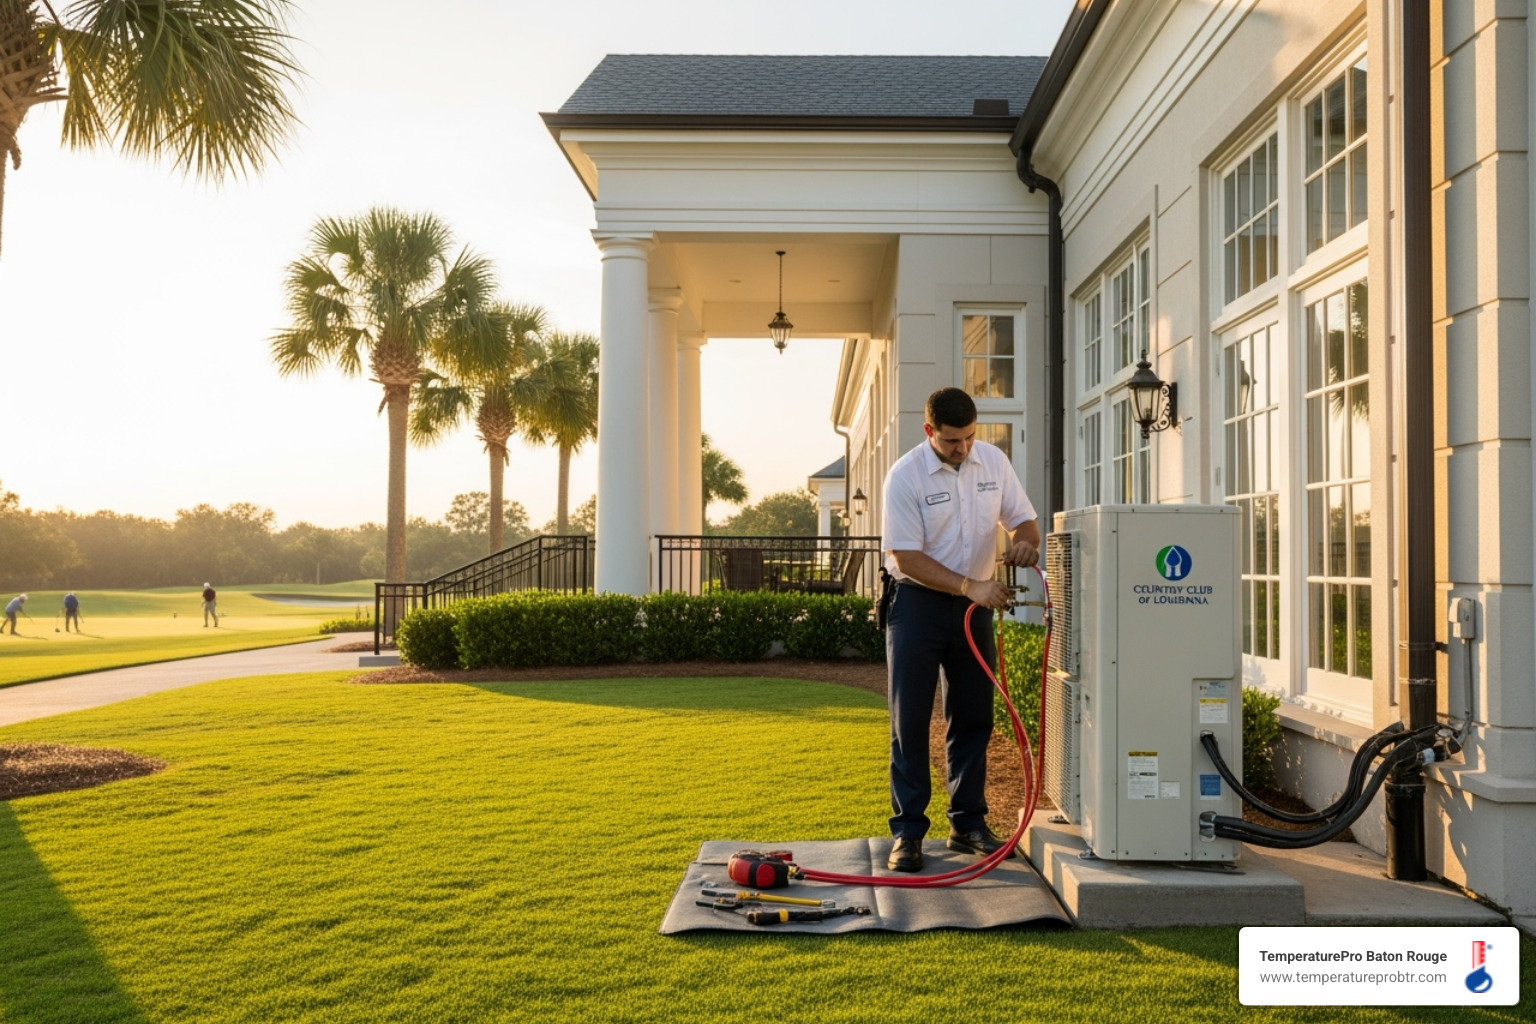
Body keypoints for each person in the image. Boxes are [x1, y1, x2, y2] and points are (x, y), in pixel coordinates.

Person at [880, 387, 1040, 872]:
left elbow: (1024, 522)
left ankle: (967, 825)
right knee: (909, 722)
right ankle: (908, 833)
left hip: (976, 609)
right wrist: (970, 585)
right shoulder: (904, 476)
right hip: (916, 606)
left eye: (970, 437)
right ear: (930, 431)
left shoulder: (993, 462)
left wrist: (1026, 544)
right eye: (953, 440)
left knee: (973, 716)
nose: (964, 448)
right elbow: (905, 557)